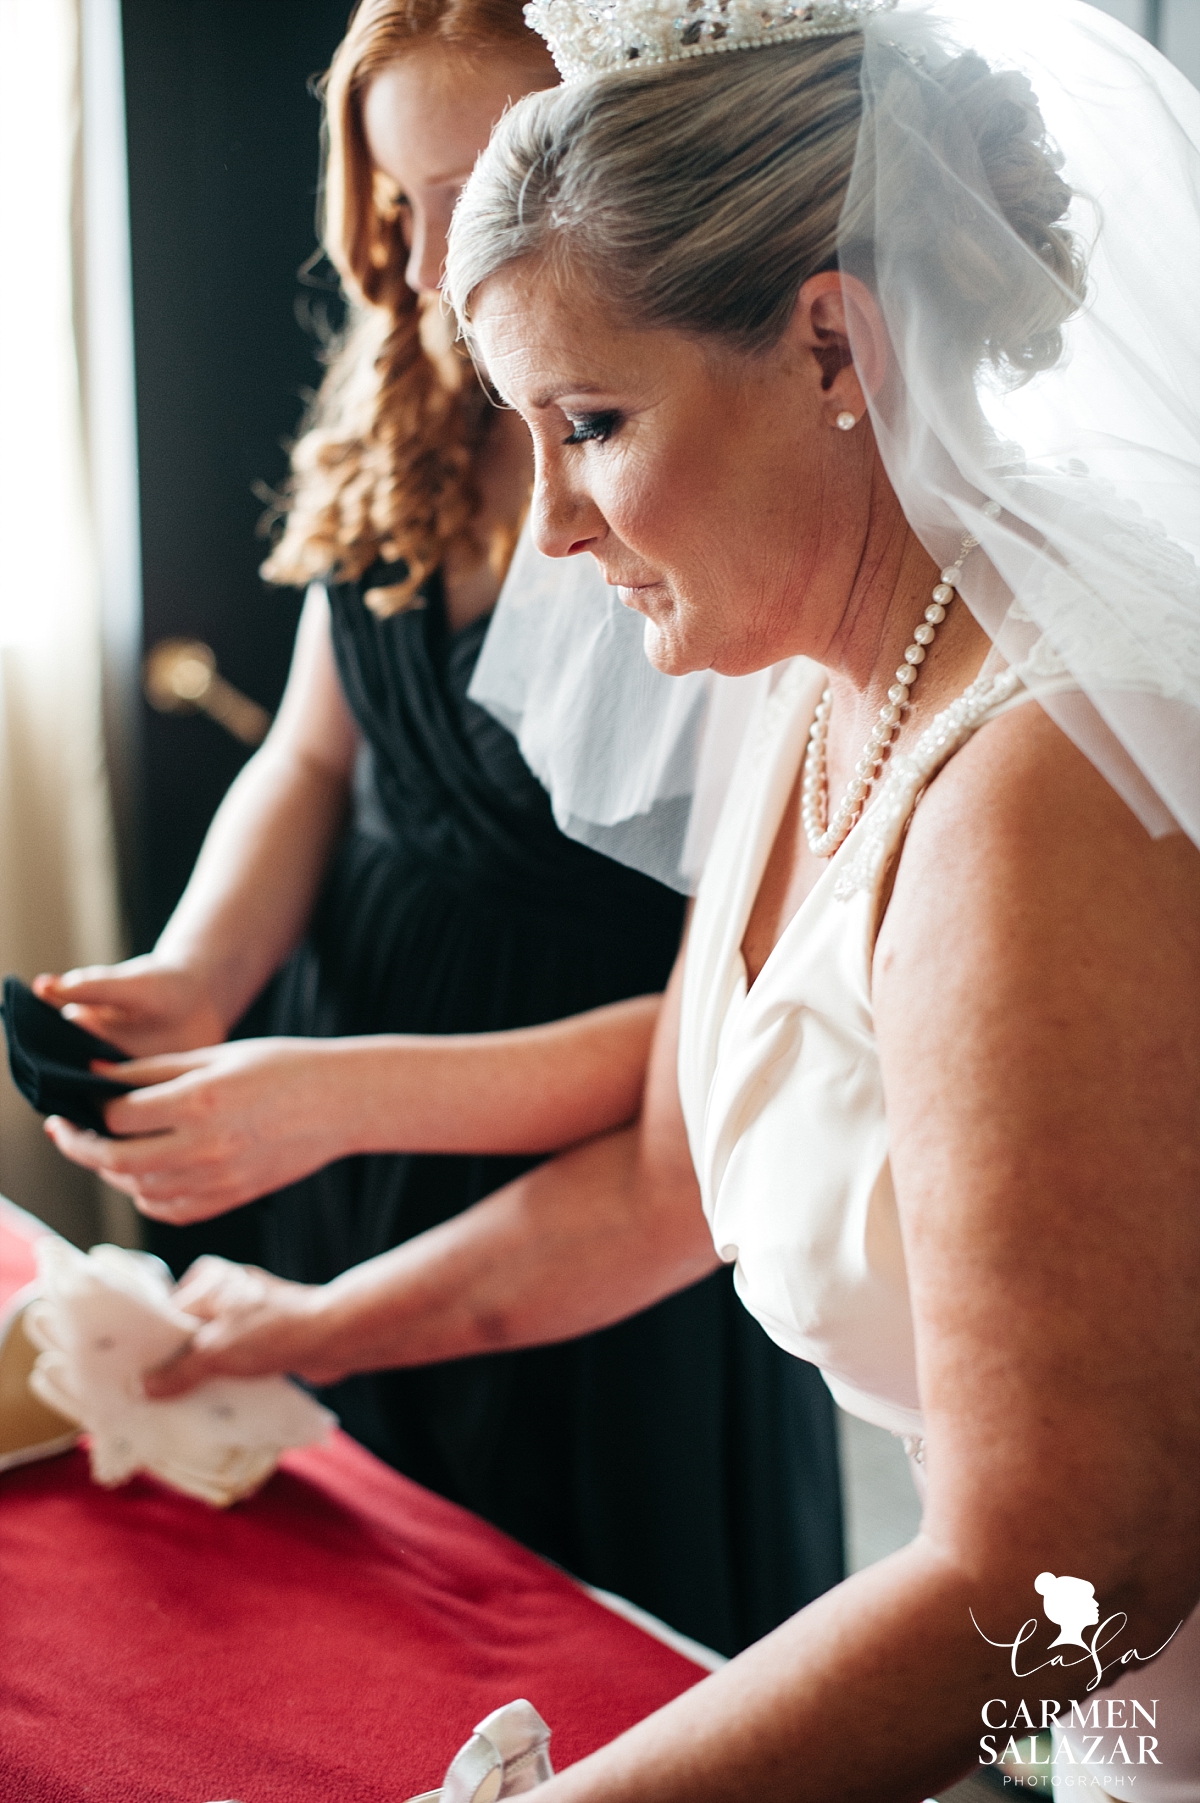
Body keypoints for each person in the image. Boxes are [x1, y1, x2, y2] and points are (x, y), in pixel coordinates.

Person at [116, 0, 1200, 1792]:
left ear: (832, 345)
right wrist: (308, 1331)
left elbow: (1081, 1569)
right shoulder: (805, 678)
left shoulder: (1036, 794)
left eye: (596, 423)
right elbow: (662, 1183)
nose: (547, 527)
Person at [34, 0, 845, 1657]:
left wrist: (334, 1095)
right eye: (392, 204)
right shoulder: (407, 379)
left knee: (570, 1631)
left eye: (469, 192)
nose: (415, 264)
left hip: (573, 1157)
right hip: (349, 1066)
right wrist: (198, 981)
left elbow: (733, 1040)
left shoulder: (713, 494)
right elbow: (318, 759)